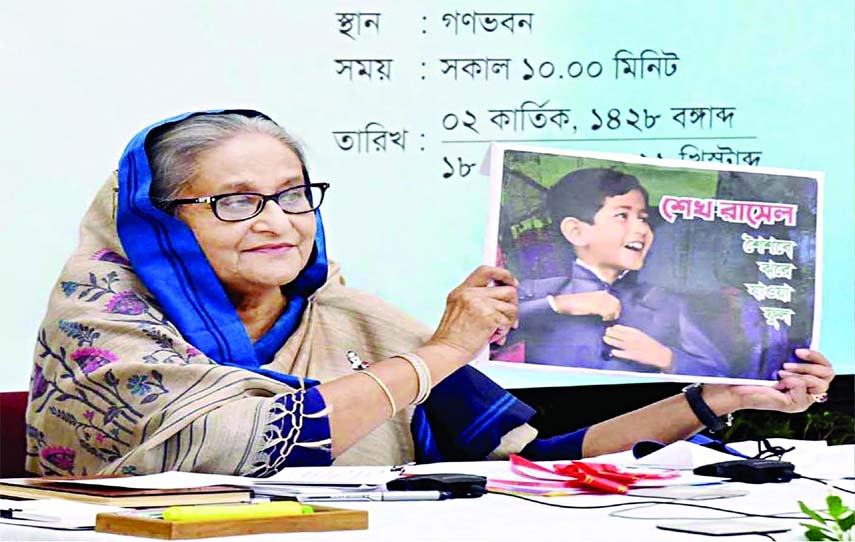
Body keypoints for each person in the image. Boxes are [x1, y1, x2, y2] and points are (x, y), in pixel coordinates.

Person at [26, 110, 834, 477]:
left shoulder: (351, 323)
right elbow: (235, 446)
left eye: (294, 194)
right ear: (157, 221)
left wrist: (712, 397)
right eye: (235, 201)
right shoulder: (102, 319)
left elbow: (539, 462)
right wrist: (443, 352)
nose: (277, 222)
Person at [503, 168, 732, 377]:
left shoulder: (668, 304)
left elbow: (719, 377)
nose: (642, 229)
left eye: (643, 218)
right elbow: (486, 331)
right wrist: (557, 305)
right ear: (576, 231)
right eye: (622, 216)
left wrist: (666, 357)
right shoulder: (538, 293)